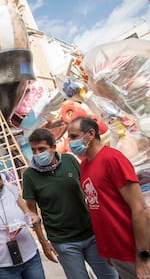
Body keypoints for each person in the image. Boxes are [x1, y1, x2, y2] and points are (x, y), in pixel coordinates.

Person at [22, 128, 118, 278]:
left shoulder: (69, 160)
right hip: (63, 241)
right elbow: (32, 212)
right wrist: (43, 242)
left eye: (42, 149)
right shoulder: (29, 175)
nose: (37, 154)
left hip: (91, 233)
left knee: (110, 276)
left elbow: (91, 190)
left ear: (53, 147)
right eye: (34, 150)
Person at [67, 116, 150, 279]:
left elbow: (140, 209)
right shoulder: (84, 165)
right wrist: (107, 251)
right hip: (115, 253)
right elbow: (99, 208)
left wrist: (143, 256)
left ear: (90, 133)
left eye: (74, 136)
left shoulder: (112, 159)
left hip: (133, 252)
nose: (70, 142)